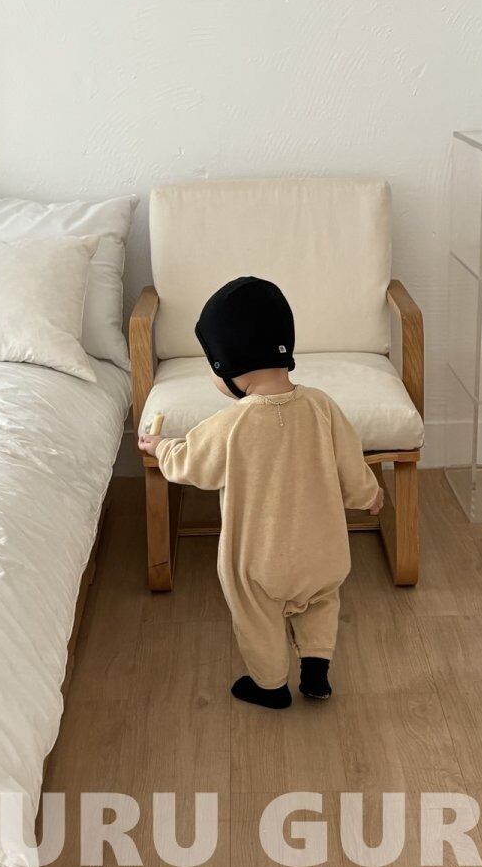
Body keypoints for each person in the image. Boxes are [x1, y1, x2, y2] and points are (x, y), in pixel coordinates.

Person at [138, 276, 383, 709]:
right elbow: (351, 464)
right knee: (320, 601)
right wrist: (370, 496)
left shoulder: (231, 425)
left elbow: (191, 462)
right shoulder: (322, 405)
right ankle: (316, 670)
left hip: (258, 561)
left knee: (257, 618)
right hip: (323, 551)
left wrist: (160, 448)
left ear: (226, 365)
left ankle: (270, 686)